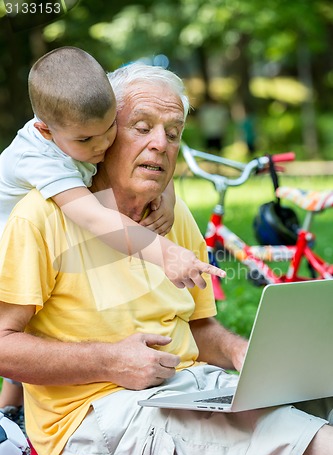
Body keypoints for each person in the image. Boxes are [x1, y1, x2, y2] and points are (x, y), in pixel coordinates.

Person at [0, 62, 332, 455]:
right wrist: (109, 360)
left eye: (173, 133)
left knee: (317, 394)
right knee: (295, 437)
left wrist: (238, 352)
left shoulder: (169, 215)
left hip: (190, 388)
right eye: (142, 127)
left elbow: (199, 327)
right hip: (95, 416)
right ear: (105, 135)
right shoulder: (42, 216)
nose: (160, 144)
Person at [0, 48, 225, 424]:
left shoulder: (77, 132)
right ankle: (12, 414)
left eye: (110, 132)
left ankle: (13, 411)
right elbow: (92, 215)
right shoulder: (41, 162)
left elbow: (155, 156)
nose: (102, 147)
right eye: (138, 127)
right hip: (9, 241)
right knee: (22, 321)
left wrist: (165, 194)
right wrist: (163, 252)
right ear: (45, 130)